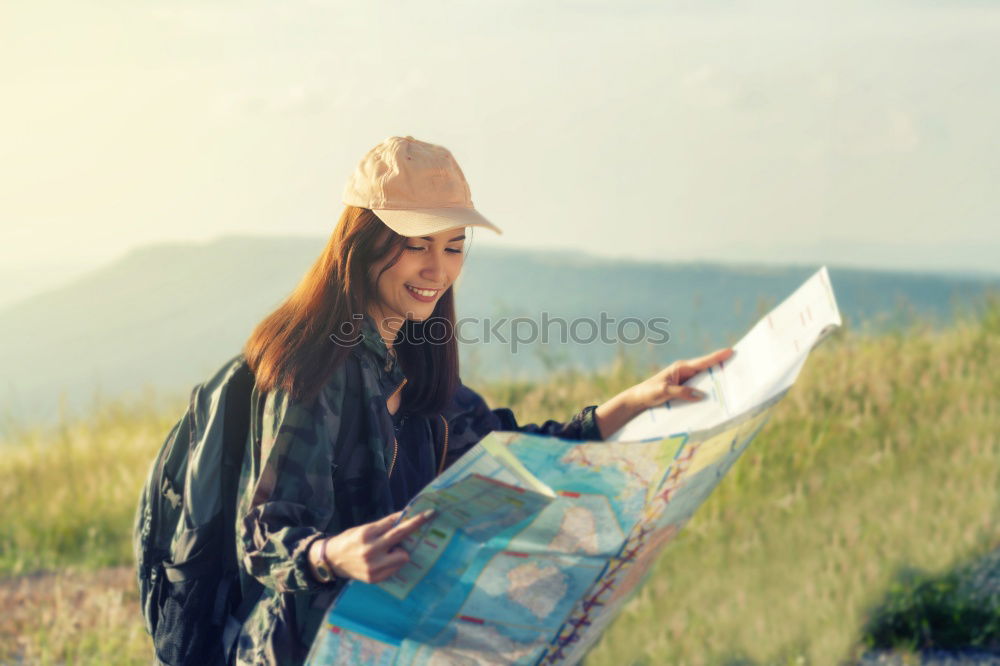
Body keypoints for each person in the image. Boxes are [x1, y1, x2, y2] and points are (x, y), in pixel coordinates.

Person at [232, 136, 732, 665]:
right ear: (364, 241)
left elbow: (507, 453)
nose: (437, 270)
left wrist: (630, 403)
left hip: (390, 642)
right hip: (305, 648)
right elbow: (263, 531)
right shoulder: (314, 367)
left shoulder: (417, 361)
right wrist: (333, 553)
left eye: (452, 247)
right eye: (417, 244)